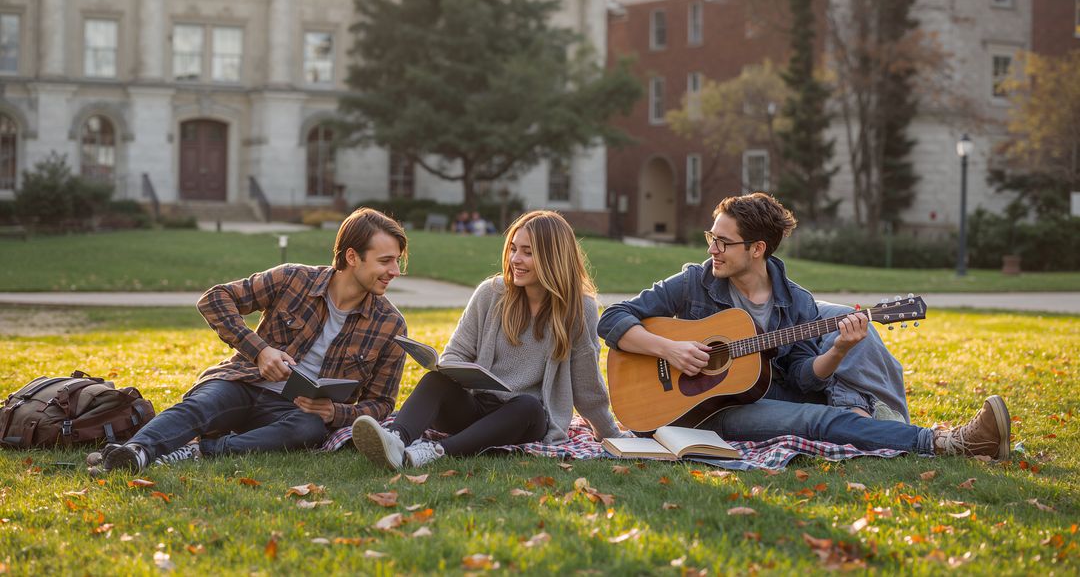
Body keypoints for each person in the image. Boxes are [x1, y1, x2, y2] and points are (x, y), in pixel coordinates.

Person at [597, 193, 1010, 460]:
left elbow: (802, 377)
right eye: (712, 237)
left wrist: (838, 350)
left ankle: (940, 439)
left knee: (817, 415)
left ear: (757, 249)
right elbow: (612, 319)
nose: (712, 249)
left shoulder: (796, 303)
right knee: (819, 420)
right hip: (682, 415)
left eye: (723, 242)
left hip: (739, 404)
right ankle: (942, 442)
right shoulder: (694, 281)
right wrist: (669, 349)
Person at [87, 208, 409, 473]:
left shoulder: (391, 325)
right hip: (243, 382)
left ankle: (198, 452)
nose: (395, 270)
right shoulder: (294, 278)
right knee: (202, 404)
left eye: (397, 261)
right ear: (352, 256)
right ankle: (135, 453)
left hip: (293, 413)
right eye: (385, 261)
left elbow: (381, 404)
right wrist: (260, 352)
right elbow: (215, 299)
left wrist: (332, 413)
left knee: (307, 430)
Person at [352, 210, 623, 469]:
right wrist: (458, 372)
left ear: (553, 257)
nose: (515, 258)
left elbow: (587, 385)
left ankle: (436, 452)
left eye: (527, 252)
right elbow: (454, 355)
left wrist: (611, 434)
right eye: (514, 249)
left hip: (522, 419)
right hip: (476, 407)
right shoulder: (490, 293)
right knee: (436, 379)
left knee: (528, 406)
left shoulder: (579, 308)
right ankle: (396, 440)